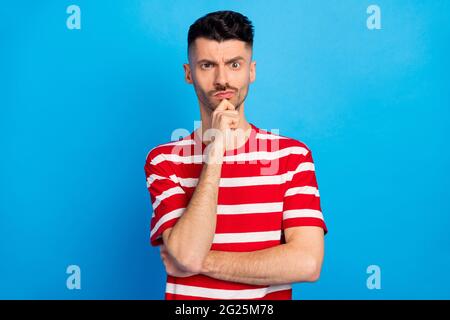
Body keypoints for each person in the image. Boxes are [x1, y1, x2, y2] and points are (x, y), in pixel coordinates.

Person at [144, 10, 327, 300]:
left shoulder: (292, 156)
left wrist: (200, 262)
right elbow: (187, 251)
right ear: (189, 74)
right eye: (207, 65)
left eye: (234, 64)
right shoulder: (165, 161)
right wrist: (215, 151)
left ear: (251, 71)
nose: (222, 79)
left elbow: (307, 263)